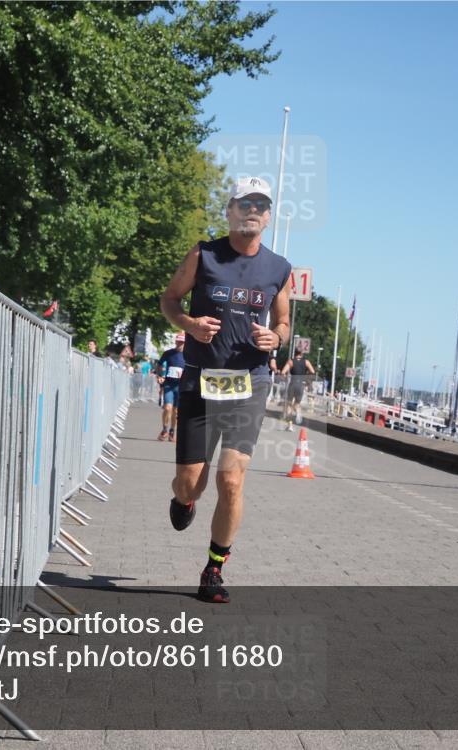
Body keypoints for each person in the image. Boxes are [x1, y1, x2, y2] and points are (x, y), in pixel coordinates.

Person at [160, 176, 291, 603]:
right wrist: (189, 325)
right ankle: (185, 501)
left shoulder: (279, 268)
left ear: (268, 216)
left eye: (260, 204)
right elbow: (170, 300)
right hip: (201, 380)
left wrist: (276, 337)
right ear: (230, 210)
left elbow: (284, 323)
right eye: (244, 203)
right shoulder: (204, 254)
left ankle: (214, 569)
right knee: (189, 485)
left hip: (249, 382)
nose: (252, 209)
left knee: (231, 479)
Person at [156, 332, 186, 442]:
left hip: (181, 386)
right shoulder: (168, 353)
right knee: (167, 408)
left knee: (176, 411)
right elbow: (159, 364)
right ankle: (164, 429)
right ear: (175, 341)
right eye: (178, 341)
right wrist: (159, 375)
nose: (180, 344)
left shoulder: (189, 355)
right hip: (169, 384)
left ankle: (172, 431)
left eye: (182, 342)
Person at [280, 347, 315, 430]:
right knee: (297, 403)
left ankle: (290, 425)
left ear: (295, 353)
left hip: (292, 384)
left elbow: (283, 372)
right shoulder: (306, 362)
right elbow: (313, 371)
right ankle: (298, 412)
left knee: (289, 405)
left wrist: (285, 379)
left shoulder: (291, 361)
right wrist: (307, 380)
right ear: (302, 353)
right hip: (301, 385)